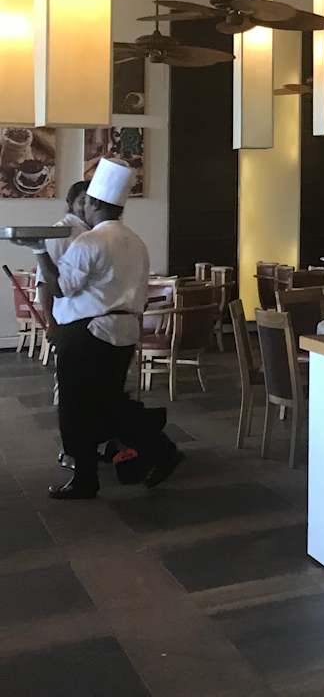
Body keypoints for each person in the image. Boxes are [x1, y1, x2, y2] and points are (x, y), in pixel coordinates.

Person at [35, 159, 182, 500]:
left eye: (86, 203)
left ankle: (95, 474)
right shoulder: (135, 241)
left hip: (88, 333)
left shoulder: (92, 241)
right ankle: (153, 451)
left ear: (93, 203)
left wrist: (39, 250)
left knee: (77, 408)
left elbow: (61, 288)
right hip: (125, 330)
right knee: (107, 403)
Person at [34, 180, 91, 321]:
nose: (87, 207)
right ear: (71, 203)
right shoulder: (60, 232)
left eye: (92, 202)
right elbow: (44, 280)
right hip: (69, 315)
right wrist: (50, 321)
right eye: (82, 201)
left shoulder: (95, 230)